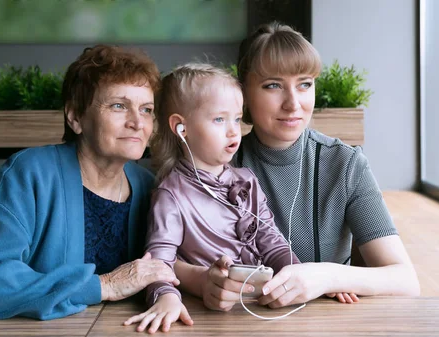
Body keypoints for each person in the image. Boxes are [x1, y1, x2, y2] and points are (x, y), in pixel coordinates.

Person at [174, 22, 420, 311]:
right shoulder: (210, 163)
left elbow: (406, 281)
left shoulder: (345, 164)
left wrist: (329, 276)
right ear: (243, 92)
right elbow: (163, 258)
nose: (293, 104)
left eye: (305, 84)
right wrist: (202, 281)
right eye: (273, 86)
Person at [0, 45, 179, 320]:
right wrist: (103, 285)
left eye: (146, 109)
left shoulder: (150, 186)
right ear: (75, 117)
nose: (137, 122)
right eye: (119, 105)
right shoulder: (29, 173)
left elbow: (172, 266)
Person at [123, 63, 300, 333]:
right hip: (209, 317)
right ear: (182, 129)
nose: (233, 132)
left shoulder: (247, 180)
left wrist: (302, 277)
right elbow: (159, 261)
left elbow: (272, 243)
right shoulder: (171, 194)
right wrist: (166, 298)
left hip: (259, 310)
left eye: (237, 119)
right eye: (219, 119)